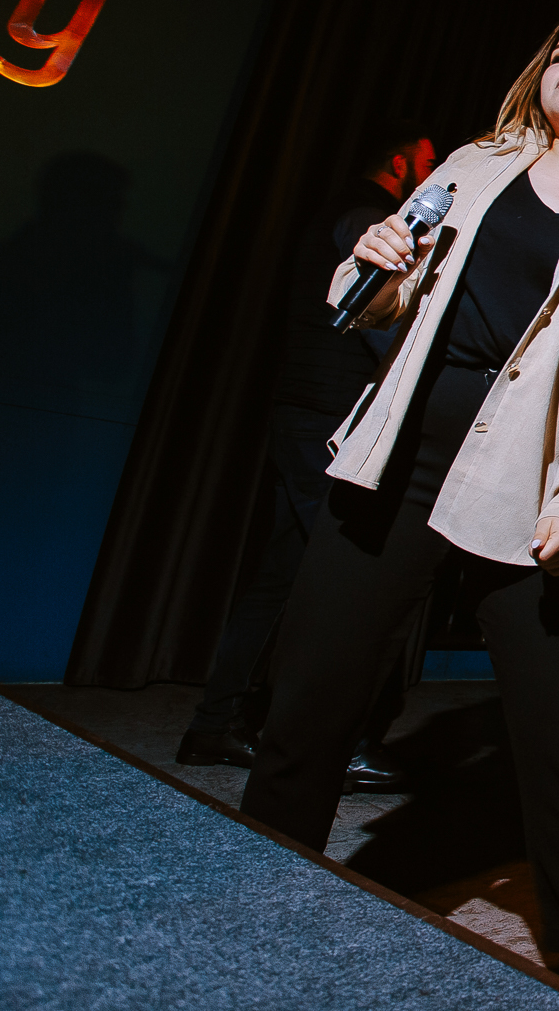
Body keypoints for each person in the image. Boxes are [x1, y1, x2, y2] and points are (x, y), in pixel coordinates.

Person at [239, 13, 559, 1009]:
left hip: (530, 482)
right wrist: (379, 264)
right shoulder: (476, 166)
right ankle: (259, 895)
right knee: (310, 693)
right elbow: (378, 302)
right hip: (402, 455)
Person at [175, 125, 436, 789]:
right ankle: (337, 745)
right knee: (354, 583)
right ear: (399, 162)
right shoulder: (365, 217)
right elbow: (372, 313)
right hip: (329, 422)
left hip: (305, 414)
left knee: (281, 577)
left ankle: (214, 726)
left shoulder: (336, 210)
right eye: (428, 163)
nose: (435, 177)